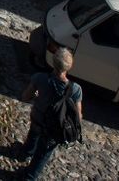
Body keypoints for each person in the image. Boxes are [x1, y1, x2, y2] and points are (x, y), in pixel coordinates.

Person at [18, 47, 83, 180]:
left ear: (53, 62)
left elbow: (25, 97)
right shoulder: (76, 89)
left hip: (38, 117)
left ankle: (26, 153)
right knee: (43, 154)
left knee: (34, 134)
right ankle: (30, 176)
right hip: (55, 127)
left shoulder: (39, 78)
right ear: (69, 66)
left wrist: (36, 95)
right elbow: (78, 116)